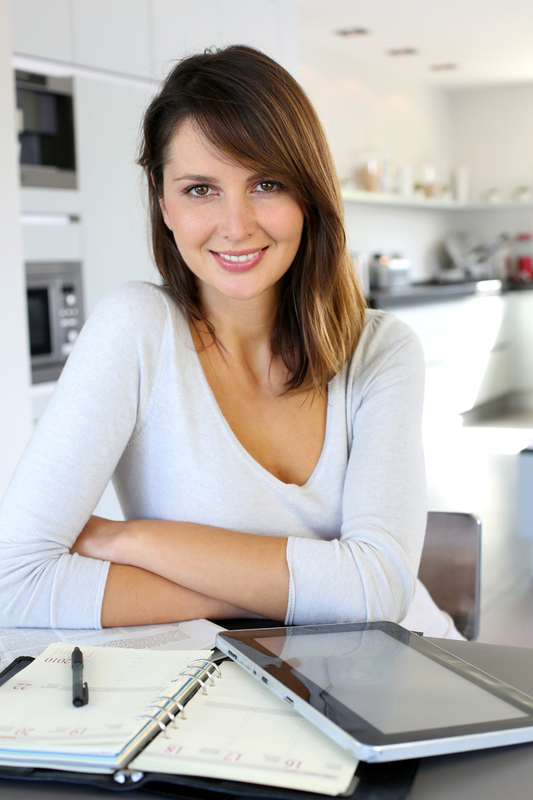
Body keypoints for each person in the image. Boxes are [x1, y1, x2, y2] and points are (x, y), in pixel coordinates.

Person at [0, 45, 460, 638]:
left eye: (266, 183)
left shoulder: (380, 351)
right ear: (162, 201)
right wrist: (264, 594)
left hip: (407, 673)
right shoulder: (135, 330)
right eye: (200, 189)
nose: (236, 225)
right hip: (226, 696)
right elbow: (13, 582)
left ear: (309, 194)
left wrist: (129, 538)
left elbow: (380, 591)